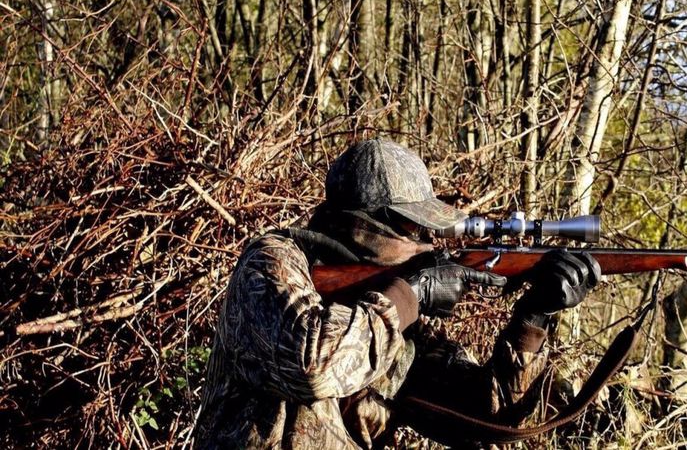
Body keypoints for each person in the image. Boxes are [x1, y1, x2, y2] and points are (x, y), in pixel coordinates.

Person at [193, 138, 600, 449]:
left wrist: (533, 318)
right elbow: (312, 367)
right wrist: (411, 294)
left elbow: (489, 415)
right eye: (414, 228)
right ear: (367, 226)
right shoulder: (273, 263)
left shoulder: (394, 320)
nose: (425, 242)